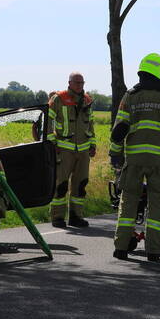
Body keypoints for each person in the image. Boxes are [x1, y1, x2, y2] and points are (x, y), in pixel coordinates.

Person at [110, 54, 160, 262]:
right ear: (157, 71)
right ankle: (152, 251)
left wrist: (115, 154)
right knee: (157, 204)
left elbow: (119, 129)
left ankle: (121, 248)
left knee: (129, 201)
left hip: (134, 158)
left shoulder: (130, 96)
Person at [47, 72, 96, 228]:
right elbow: (48, 121)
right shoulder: (58, 99)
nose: (80, 86)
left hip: (83, 151)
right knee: (61, 185)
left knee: (80, 184)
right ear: (69, 83)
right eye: (77, 83)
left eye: (82, 83)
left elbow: (91, 124)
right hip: (64, 149)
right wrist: (52, 143)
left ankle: (76, 216)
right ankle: (58, 217)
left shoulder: (87, 100)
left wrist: (93, 144)